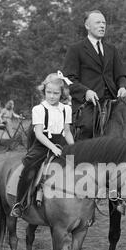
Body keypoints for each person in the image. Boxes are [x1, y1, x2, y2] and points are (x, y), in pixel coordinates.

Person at [10, 73, 75, 218]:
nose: (52, 96)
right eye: (49, 92)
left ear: (62, 93)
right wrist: (52, 148)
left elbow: (68, 132)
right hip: (42, 145)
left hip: (62, 144)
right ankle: (19, 203)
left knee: (79, 166)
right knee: (30, 169)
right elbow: (39, 133)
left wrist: (76, 148)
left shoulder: (66, 109)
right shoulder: (39, 109)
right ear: (44, 91)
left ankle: (83, 207)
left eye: (56, 93)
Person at [63, 10, 126, 140]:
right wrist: (85, 92)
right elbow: (69, 80)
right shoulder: (76, 49)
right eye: (98, 22)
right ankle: (79, 157)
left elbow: (121, 76)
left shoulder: (112, 49)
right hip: (88, 103)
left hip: (113, 100)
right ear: (87, 26)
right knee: (87, 127)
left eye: (104, 23)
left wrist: (123, 87)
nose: (102, 25)